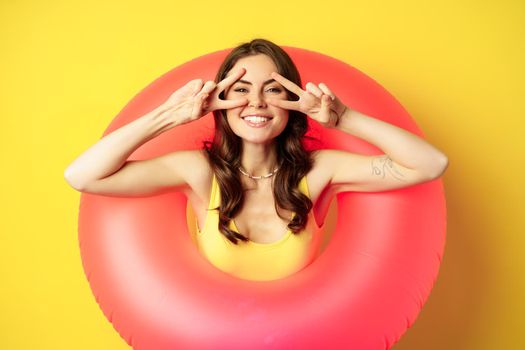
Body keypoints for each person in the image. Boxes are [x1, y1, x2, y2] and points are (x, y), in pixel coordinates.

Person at [64, 38, 448, 281]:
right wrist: (172, 115)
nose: (257, 103)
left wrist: (345, 118)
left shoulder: (320, 172)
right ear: (222, 100)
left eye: (273, 90)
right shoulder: (199, 172)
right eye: (241, 90)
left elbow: (430, 164)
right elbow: (82, 176)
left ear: (292, 103)